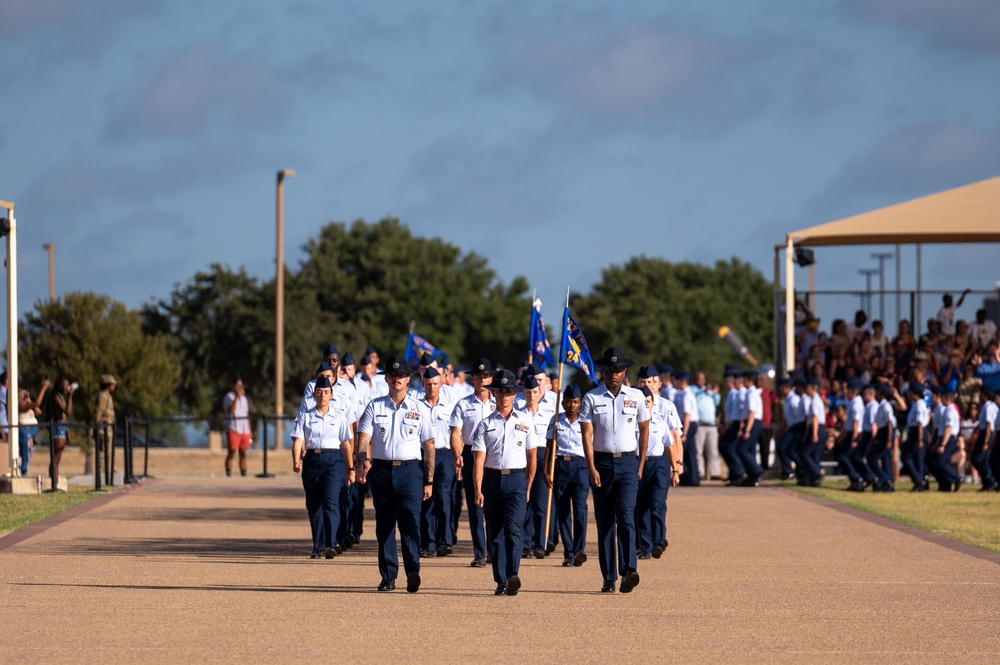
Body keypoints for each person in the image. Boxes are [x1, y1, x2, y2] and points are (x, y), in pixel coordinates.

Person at [355, 355, 435, 592]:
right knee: (385, 525)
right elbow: (363, 438)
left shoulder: (419, 409)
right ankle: (388, 576)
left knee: (410, 522)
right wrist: (361, 463)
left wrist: (429, 480)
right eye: (393, 375)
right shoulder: (375, 406)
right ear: (387, 378)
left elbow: (429, 445)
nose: (397, 379)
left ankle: (413, 571)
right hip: (381, 471)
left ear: (407, 379)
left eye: (401, 375)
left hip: (410, 471)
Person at [579, 347, 650, 594]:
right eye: (609, 370)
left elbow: (644, 429)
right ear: (603, 371)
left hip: (628, 463)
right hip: (601, 463)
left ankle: (629, 570)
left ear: (624, 371)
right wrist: (590, 467)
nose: (613, 374)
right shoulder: (591, 398)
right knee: (606, 521)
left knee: (626, 516)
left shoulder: (637, 397)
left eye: (618, 370)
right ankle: (609, 578)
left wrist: (641, 463)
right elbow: (587, 436)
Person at [472, 368, 539, 596]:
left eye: (508, 392)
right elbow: (479, 460)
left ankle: (513, 575)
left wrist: (528, 485)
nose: (504, 396)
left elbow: (532, 456)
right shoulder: (484, 424)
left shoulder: (526, 421)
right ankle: (500, 581)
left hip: (517, 480)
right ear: (494, 394)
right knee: (496, 533)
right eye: (500, 392)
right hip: (492, 480)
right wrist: (478, 489)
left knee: (514, 529)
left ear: (514, 395)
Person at [290, 376, 355, 559]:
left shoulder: (339, 415)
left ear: (331, 395)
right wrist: (296, 460)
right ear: (313, 394)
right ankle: (318, 546)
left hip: (333, 460)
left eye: (326, 392)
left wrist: (351, 468)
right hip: (312, 460)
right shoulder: (306, 415)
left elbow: (346, 444)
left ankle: (331, 543)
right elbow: (298, 440)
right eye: (319, 392)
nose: (322, 396)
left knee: (330, 502)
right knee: (313, 505)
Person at [449, 358, 495, 568]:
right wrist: (457, 455)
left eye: (485, 377)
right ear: (473, 379)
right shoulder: (463, 404)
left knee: (494, 505)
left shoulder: (499, 402)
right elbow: (456, 432)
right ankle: (479, 553)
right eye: (477, 377)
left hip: (494, 456)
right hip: (470, 454)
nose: (481, 380)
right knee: (475, 504)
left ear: (491, 378)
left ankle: (494, 550)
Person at [543, 384, 589, 567]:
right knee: (562, 512)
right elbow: (549, 446)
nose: (572, 405)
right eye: (569, 402)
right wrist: (546, 470)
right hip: (560, 465)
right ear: (563, 403)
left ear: (580, 403)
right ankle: (568, 553)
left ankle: (579, 550)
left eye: (575, 402)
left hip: (580, 467)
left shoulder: (586, 421)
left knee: (580, 510)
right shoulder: (556, 420)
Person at [635, 385, 680, 560]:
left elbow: (670, 447)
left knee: (656, 504)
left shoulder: (661, 423)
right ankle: (645, 547)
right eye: (642, 403)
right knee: (641, 507)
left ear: (653, 404)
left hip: (658, 466)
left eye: (648, 402)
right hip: (639, 465)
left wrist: (675, 469)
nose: (646, 406)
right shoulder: (632, 424)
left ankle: (658, 542)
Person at [417, 367, 456, 558]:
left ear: (442, 384)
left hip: (444, 454)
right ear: (423, 384)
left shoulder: (449, 408)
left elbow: (457, 435)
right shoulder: (415, 407)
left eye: (435, 384)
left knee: (443, 498)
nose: (432, 387)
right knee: (425, 500)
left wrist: (458, 457)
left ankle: (445, 541)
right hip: (422, 455)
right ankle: (428, 544)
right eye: (428, 384)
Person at [519, 374, 554, 559]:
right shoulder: (518, 414)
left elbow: (552, 441)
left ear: (540, 392)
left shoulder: (548, 415)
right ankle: (525, 543)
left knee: (541, 503)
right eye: (528, 392)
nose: (531, 395)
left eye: (534, 391)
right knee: (525, 501)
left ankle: (540, 543)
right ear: (523, 394)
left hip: (542, 457)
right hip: (523, 458)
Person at [736, 370, 765, 487]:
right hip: (752, 422)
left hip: (753, 422)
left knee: (742, 449)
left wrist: (747, 430)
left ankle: (756, 470)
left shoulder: (751, 393)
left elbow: (752, 412)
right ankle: (752, 476)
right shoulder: (750, 393)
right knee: (750, 450)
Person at [17, 379, 50, 477]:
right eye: (23, 392)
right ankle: (23, 472)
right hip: (25, 429)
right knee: (25, 452)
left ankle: (24, 467)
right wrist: (43, 389)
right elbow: (37, 404)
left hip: (34, 429)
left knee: (30, 449)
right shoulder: (21, 405)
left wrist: (29, 400)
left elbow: (38, 411)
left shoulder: (27, 403)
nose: (25, 392)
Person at [692, 372, 721, 481]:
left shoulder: (707, 391)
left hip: (712, 424)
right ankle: (700, 472)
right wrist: (703, 391)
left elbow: (717, 402)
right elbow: (693, 397)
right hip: (700, 424)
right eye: (700, 379)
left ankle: (715, 473)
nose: (702, 381)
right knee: (698, 451)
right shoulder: (693, 390)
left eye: (703, 378)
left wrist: (715, 393)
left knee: (713, 450)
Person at [672, 371, 699, 487]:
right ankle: (693, 478)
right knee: (690, 452)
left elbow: (687, 415)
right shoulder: (684, 394)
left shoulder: (687, 395)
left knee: (681, 450)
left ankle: (687, 474)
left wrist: (685, 434)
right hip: (690, 424)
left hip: (688, 424)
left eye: (677, 381)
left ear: (682, 381)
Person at [48, 377, 76, 485]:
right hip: (57, 428)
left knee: (57, 459)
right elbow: (67, 411)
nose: (67, 387)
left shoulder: (60, 397)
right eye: (65, 385)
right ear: (59, 385)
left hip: (62, 427)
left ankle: (55, 482)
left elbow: (64, 416)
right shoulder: (56, 397)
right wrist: (70, 396)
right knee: (55, 458)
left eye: (68, 385)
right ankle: (53, 483)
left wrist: (67, 430)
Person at [902, 383, 930, 491]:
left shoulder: (919, 404)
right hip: (916, 431)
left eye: (910, 392)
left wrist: (920, 439)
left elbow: (920, 423)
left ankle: (919, 480)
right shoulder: (916, 403)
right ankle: (922, 481)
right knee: (917, 458)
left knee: (908, 457)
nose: (908, 394)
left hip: (918, 432)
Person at [222, 377, 251, 477]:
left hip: (244, 430)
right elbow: (230, 410)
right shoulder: (228, 397)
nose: (240, 388)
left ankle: (244, 472)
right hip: (233, 428)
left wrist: (249, 429)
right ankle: (229, 471)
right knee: (232, 451)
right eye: (238, 386)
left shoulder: (244, 399)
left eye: (241, 386)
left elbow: (246, 414)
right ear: (233, 386)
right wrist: (236, 398)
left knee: (243, 452)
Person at [94, 375, 116, 472]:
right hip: (104, 427)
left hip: (109, 427)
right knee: (103, 451)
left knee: (108, 450)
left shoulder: (108, 396)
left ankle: (108, 468)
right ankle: (103, 470)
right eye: (112, 384)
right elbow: (100, 411)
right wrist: (98, 425)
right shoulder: (103, 396)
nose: (114, 386)